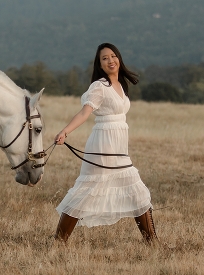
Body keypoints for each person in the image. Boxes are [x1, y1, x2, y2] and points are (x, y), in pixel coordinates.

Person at [53, 43, 157, 244]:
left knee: (135, 189)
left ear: (119, 58)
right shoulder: (99, 86)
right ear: (99, 64)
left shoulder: (119, 85)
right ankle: (59, 241)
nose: (110, 60)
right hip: (103, 143)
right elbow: (85, 112)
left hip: (119, 145)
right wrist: (65, 131)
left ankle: (152, 243)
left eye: (113, 56)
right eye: (105, 58)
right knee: (88, 190)